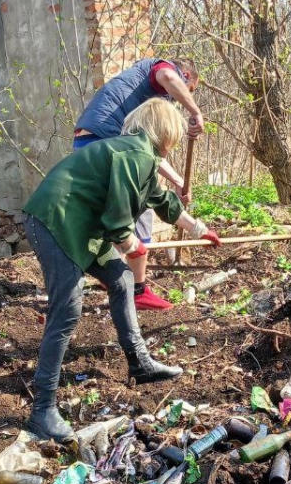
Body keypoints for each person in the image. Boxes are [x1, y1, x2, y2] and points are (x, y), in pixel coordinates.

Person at [22, 97, 221, 443]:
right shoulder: (135, 154)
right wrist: (131, 245)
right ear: (166, 129)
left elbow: (162, 201)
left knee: (122, 278)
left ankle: (140, 362)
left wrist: (200, 230)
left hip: (80, 225)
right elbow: (117, 220)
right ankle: (42, 410)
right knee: (67, 310)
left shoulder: (142, 157)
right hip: (55, 221)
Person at [73, 55, 205, 309]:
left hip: (88, 139)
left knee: (110, 207)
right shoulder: (163, 70)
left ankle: (113, 274)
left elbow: (148, 157)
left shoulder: (137, 98)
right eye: (188, 91)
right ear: (185, 77)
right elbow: (168, 77)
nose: (177, 99)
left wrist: (178, 182)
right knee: (140, 202)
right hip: (104, 136)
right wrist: (195, 111)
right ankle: (137, 289)